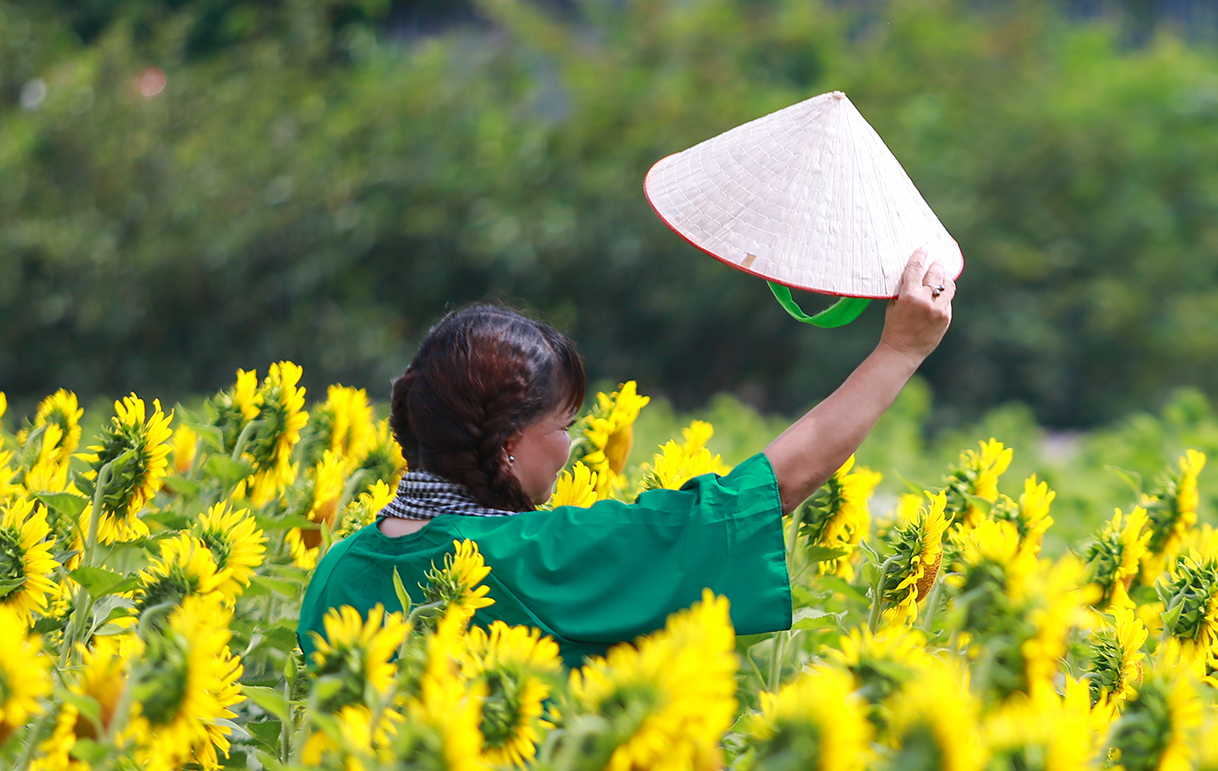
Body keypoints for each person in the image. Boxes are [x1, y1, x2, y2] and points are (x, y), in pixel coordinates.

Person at [296, 249, 955, 666]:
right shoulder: (543, 558)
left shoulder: (338, 569)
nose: (573, 446)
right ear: (506, 444)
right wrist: (899, 352)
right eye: (564, 425)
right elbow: (768, 491)